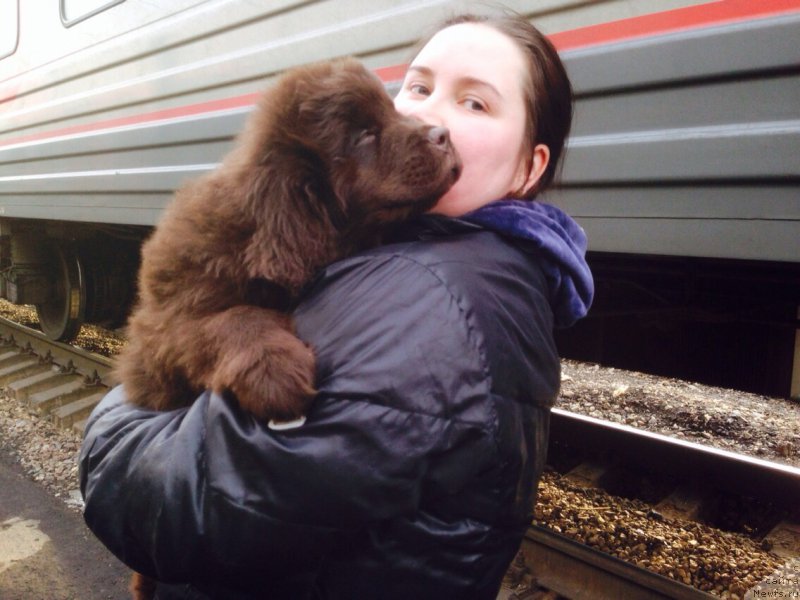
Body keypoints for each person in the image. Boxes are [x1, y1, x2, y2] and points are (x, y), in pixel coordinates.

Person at [79, 11, 593, 600]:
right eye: (418, 88)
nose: (427, 118)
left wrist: (110, 425)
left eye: (475, 104)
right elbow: (172, 309)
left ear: (530, 168)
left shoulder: (436, 299)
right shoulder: (407, 247)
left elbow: (179, 510)